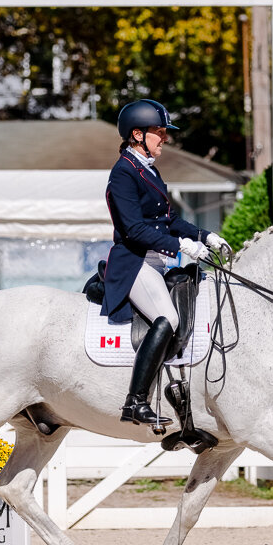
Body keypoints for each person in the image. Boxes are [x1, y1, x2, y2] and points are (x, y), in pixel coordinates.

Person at [101, 99, 230, 425]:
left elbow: (169, 219)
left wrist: (204, 235)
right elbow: (134, 229)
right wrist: (182, 247)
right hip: (134, 262)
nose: (165, 138)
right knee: (168, 318)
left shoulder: (149, 170)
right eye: (159, 132)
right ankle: (135, 401)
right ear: (137, 135)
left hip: (157, 263)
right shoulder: (123, 174)